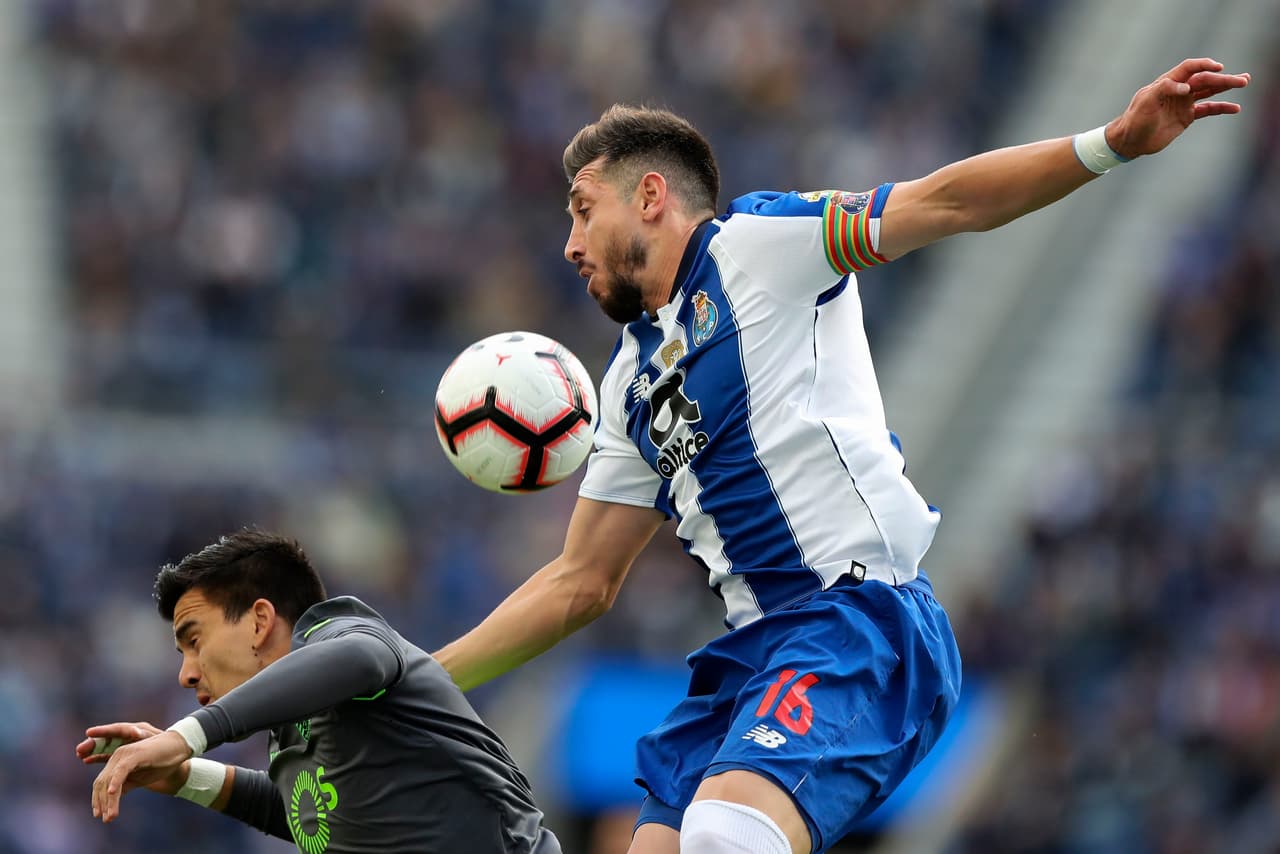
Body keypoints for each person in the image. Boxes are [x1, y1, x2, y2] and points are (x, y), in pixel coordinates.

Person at [430, 57, 1250, 854]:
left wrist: (1111, 140)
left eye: (582, 209)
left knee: (726, 833)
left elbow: (949, 201)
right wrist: (425, 682)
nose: (570, 243)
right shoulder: (628, 386)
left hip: (861, 620)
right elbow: (580, 583)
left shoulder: (760, 243)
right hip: (750, 655)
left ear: (650, 196)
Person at [78, 529, 561, 853]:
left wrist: (186, 736)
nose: (186, 673)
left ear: (260, 621)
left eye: (195, 640)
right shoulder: (294, 731)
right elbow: (307, 813)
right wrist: (184, 776)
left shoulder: (341, 635)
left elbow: (361, 658)